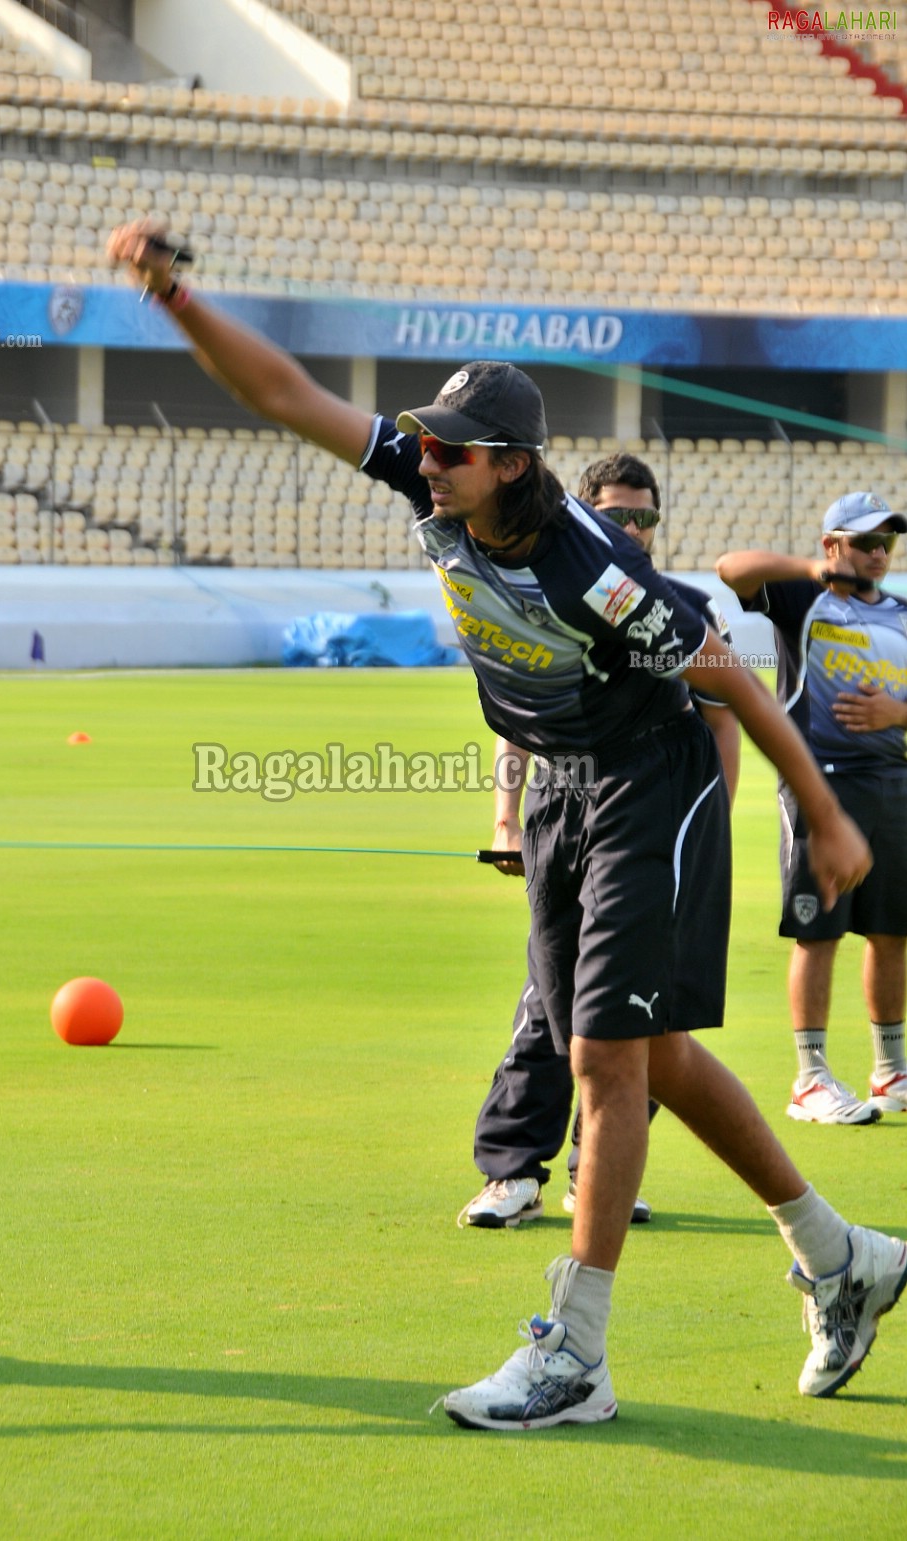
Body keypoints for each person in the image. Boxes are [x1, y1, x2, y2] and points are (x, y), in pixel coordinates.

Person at [106, 221, 904, 1429]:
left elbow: (731, 682)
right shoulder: (431, 472)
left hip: (652, 779)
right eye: (426, 441)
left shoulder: (598, 572)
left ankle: (574, 1354)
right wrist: (175, 298)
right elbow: (285, 392)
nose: (428, 462)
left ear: (513, 465)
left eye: (454, 451)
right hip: (559, 783)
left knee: (601, 1059)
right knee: (657, 1055)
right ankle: (842, 1254)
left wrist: (828, 816)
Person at [460, 453, 741, 1230]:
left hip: (655, 806)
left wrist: (704, 825)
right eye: (616, 515)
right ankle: (510, 1172)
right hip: (561, 798)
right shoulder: (540, 592)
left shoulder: (682, 607)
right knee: (547, 1004)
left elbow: (722, 717)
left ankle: (600, 1168)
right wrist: (504, 819)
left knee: (638, 1008)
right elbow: (514, 721)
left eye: (643, 516)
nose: (632, 529)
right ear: (584, 515)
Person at [717, 492, 907, 1125]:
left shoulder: (904, 613)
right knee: (818, 932)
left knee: (892, 933)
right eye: (864, 542)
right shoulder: (803, 599)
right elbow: (730, 567)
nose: (878, 554)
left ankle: (892, 1072)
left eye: (887, 542)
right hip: (819, 791)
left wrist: (897, 713)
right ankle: (811, 1079)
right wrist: (807, 570)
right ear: (833, 545)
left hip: (893, 785)